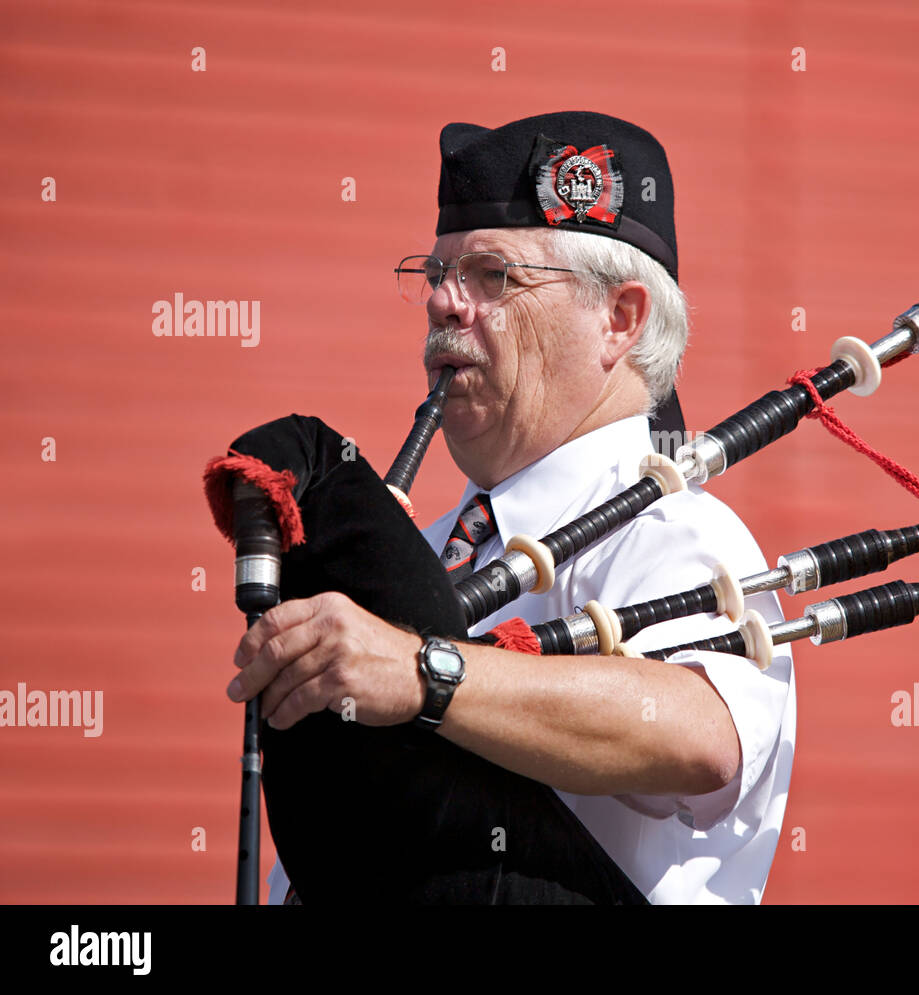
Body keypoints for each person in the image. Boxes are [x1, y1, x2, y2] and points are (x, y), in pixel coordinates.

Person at [227, 111, 795, 904]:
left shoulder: (677, 533)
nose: (444, 305)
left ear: (620, 319)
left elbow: (701, 736)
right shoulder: (425, 551)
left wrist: (426, 671)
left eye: (494, 276)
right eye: (435, 276)